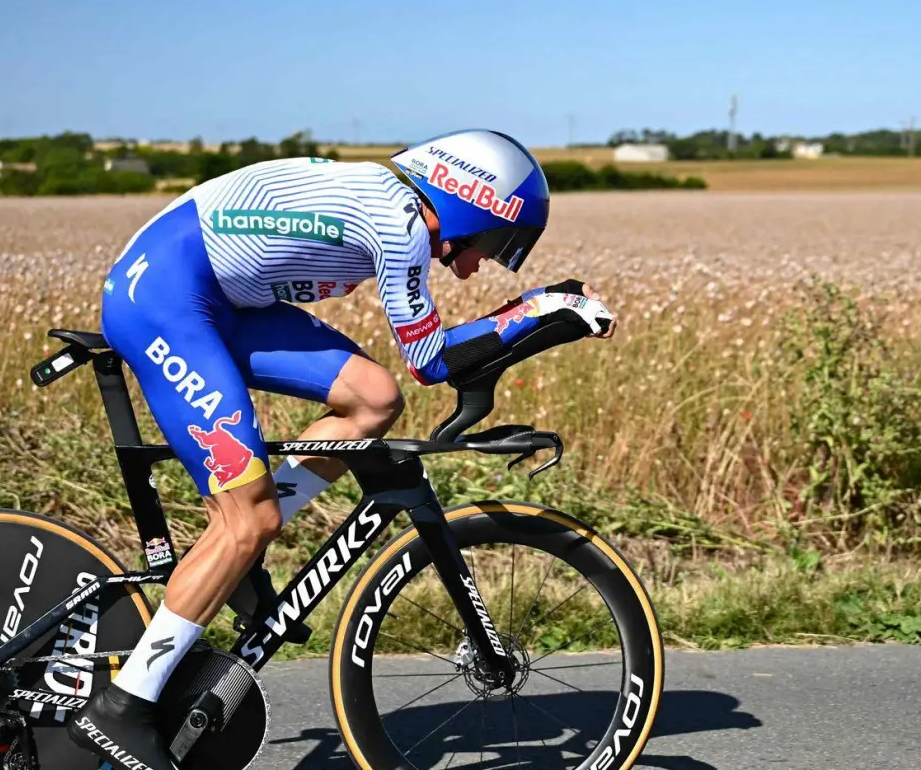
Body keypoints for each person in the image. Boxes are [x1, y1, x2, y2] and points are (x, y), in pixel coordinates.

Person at [67, 129, 615, 768]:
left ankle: (236, 552)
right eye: (486, 245)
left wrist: (534, 312)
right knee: (250, 521)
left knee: (373, 399)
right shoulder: (400, 222)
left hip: (217, 297)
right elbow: (431, 361)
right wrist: (540, 312)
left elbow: (406, 377)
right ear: (466, 200)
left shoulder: (394, 203)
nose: (469, 267)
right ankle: (122, 705)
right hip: (166, 301)